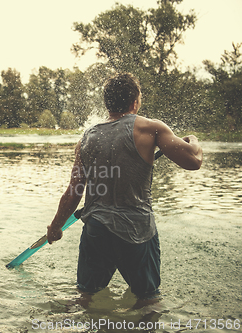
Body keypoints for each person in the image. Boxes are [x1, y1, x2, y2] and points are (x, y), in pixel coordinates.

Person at [46, 73, 202, 308]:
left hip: (96, 230)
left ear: (107, 103)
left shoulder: (86, 138)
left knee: (85, 300)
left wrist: (55, 226)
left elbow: (74, 191)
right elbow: (193, 161)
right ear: (135, 102)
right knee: (149, 301)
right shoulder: (150, 128)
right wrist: (194, 141)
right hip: (137, 231)